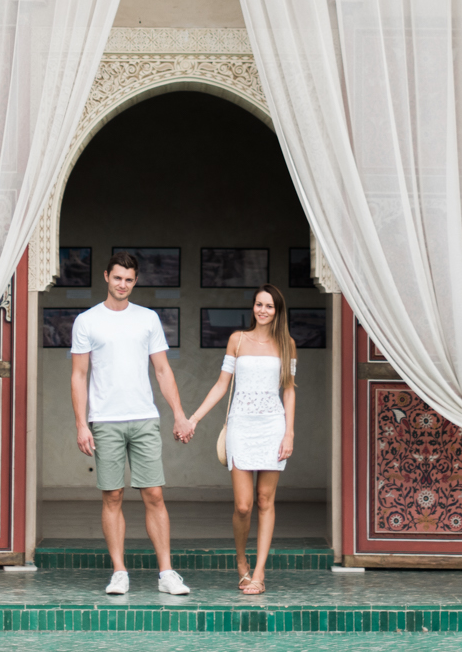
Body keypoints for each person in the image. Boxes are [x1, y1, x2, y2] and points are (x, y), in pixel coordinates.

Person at [70, 250, 196, 596]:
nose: (122, 284)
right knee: (112, 495)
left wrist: (179, 414)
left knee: (154, 494)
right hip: (105, 420)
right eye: (117, 278)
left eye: (129, 279)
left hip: (143, 417)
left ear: (135, 281)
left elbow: (162, 370)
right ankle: (119, 572)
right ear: (106, 277)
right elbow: (79, 376)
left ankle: (167, 573)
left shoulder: (148, 319)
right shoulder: (87, 321)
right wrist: (82, 423)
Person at [185, 284, 298, 595]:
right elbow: (222, 385)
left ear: (278, 311)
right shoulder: (237, 340)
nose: (263, 310)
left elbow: (288, 390)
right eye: (259, 304)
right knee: (244, 505)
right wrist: (194, 418)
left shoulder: (287, 344)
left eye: (269, 306)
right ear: (253, 308)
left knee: (265, 500)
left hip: (273, 427)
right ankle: (241, 560)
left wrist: (289, 431)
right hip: (241, 426)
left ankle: (259, 573)